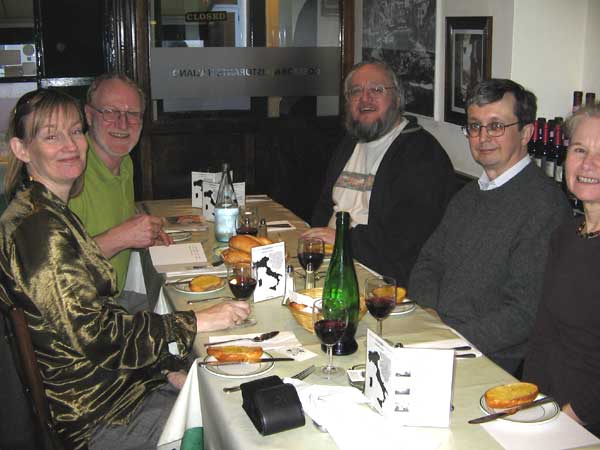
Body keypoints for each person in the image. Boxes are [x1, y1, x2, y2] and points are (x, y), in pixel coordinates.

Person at [0, 88, 250, 450]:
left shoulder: (42, 209)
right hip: (101, 417)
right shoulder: (40, 232)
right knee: (237, 426)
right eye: (51, 136)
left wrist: (161, 370)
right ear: (22, 149)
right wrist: (197, 321)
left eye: (74, 131)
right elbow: (96, 335)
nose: (70, 145)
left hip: (108, 388)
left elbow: (87, 322)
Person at [408, 79, 571, 375]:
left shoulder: (544, 206)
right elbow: (427, 263)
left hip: (491, 360)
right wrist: (429, 316)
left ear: (526, 133)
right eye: (474, 126)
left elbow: (524, 313)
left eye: (496, 126)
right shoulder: (469, 195)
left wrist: (448, 338)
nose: (483, 137)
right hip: (436, 338)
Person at [304, 60, 455, 285]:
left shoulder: (422, 154)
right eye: (356, 91)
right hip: (332, 260)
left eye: (376, 89)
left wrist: (343, 240)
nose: (365, 99)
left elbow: (406, 241)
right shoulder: (349, 143)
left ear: (397, 98)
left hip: (380, 276)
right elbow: (325, 205)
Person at [523, 103, 600, 436]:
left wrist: (565, 420)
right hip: (545, 406)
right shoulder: (567, 234)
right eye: (580, 149)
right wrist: (527, 401)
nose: (588, 164)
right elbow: (545, 334)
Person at [68, 73, 170, 312]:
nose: (123, 124)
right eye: (111, 112)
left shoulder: (124, 162)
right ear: (89, 115)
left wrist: (140, 232)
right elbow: (58, 267)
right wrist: (124, 236)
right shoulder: (70, 169)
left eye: (132, 114)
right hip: (84, 316)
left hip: (116, 299)